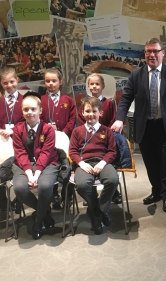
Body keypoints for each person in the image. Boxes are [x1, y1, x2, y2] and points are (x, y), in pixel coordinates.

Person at [111, 38, 166, 213]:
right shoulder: (136, 74)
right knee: (151, 162)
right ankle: (156, 191)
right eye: (148, 51)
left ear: (162, 53)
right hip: (145, 127)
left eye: (155, 51)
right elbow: (126, 98)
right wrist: (119, 118)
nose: (152, 55)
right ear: (145, 54)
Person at [12, 91, 59, 240]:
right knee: (19, 188)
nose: (30, 112)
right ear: (22, 111)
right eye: (26, 109)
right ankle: (45, 213)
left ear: (40, 110)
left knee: (45, 186)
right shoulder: (18, 130)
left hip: (47, 163)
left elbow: (46, 153)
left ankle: (37, 223)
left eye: (33, 109)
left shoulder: (48, 129)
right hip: (23, 164)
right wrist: (29, 174)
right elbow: (20, 153)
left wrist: (36, 174)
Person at [69, 96, 119, 235]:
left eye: (94, 111)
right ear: (82, 113)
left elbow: (112, 151)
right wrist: (81, 163)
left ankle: (99, 211)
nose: (91, 114)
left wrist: (103, 163)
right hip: (84, 163)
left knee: (113, 180)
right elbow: (72, 151)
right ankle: (98, 210)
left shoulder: (106, 131)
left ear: (100, 113)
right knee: (82, 185)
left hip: (102, 161)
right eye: (87, 111)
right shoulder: (77, 131)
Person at [77, 73, 122, 204]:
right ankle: (90, 193)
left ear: (103, 86)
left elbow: (113, 120)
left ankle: (113, 192)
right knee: (90, 170)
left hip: (106, 139)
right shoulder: (84, 104)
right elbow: (81, 121)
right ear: (88, 86)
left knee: (110, 164)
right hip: (89, 139)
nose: (94, 86)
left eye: (97, 84)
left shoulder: (109, 103)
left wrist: (104, 133)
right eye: (92, 84)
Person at [0, 67, 24, 211]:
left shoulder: (24, 100)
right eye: (5, 83)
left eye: (12, 81)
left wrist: (13, 130)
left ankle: (19, 199)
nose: (9, 85)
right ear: (1, 83)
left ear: (17, 80)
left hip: (18, 139)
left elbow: (27, 119)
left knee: (19, 166)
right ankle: (2, 198)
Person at [40, 67, 76, 208]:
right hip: (47, 140)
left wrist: (63, 132)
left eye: (54, 81)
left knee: (67, 164)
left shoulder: (68, 100)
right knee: (51, 165)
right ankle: (53, 194)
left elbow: (72, 119)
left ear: (61, 82)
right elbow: (38, 119)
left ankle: (67, 195)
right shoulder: (41, 100)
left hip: (65, 139)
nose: (51, 84)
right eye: (47, 81)